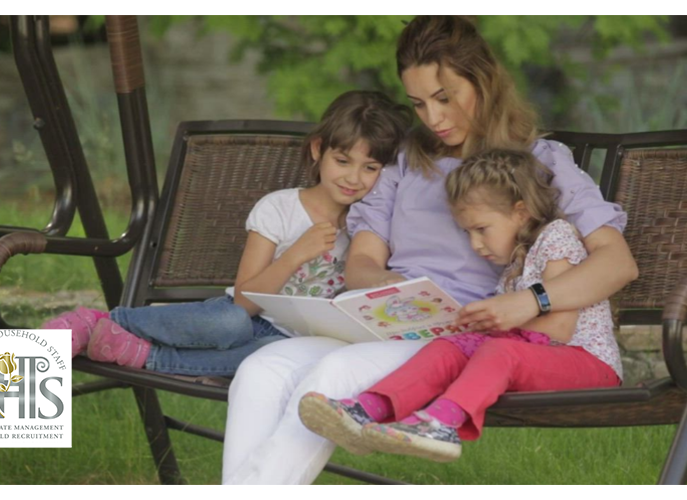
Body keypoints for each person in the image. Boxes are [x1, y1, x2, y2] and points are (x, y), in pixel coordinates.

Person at [222, 16, 637, 484]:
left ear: (483, 81)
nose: (433, 119)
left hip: (457, 340)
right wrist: (389, 286)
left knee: (335, 372)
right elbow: (362, 263)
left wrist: (530, 301)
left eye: (445, 98)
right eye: (418, 104)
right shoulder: (404, 163)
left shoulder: (540, 163)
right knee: (262, 369)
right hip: (385, 321)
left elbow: (617, 263)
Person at [40, 90, 412, 377]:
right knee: (230, 324)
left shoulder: (369, 231)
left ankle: (142, 355)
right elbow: (245, 302)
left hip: (290, 339)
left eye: (370, 168)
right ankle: (105, 321)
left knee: (270, 357)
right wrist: (297, 253)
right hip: (243, 316)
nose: (353, 178)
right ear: (318, 150)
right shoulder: (279, 208)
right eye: (343, 161)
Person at [298, 148, 622, 463]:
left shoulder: (557, 237)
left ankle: (440, 425)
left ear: (521, 213)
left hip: (587, 364)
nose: (475, 244)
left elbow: (559, 329)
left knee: (497, 350)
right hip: (535, 358)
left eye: (481, 230)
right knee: (448, 348)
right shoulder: (514, 264)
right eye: (468, 232)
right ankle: (367, 410)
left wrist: (495, 322)